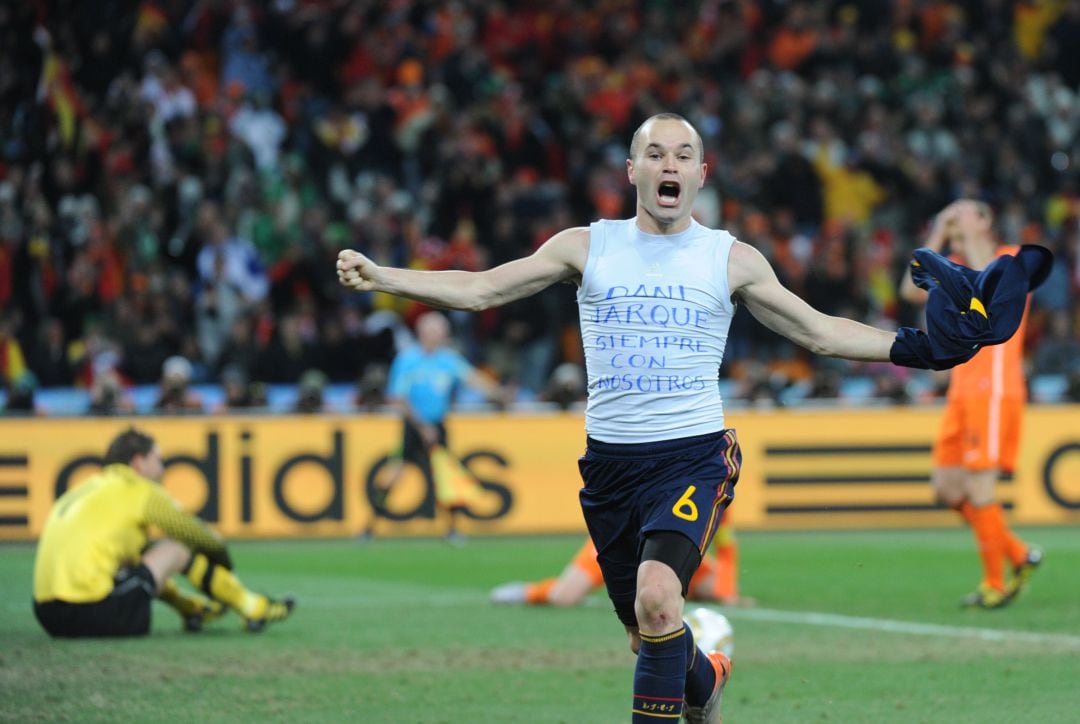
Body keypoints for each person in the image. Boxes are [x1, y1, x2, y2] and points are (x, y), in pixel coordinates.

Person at [338, 113, 1045, 723]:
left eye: (682, 155)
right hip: (610, 467)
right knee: (651, 640)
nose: (668, 164)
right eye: (654, 153)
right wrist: (387, 277)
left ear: (701, 174)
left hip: (693, 455)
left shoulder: (729, 258)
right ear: (632, 170)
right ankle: (708, 681)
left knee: (656, 597)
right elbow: (484, 288)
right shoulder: (586, 245)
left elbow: (819, 330)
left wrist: (919, 349)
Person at [900, 199, 1043, 609]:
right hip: (962, 387)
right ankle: (1018, 554)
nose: (955, 215)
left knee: (981, 484)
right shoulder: (954, 261)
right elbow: (909, 289)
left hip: (994, 387)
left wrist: (960, 233)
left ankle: (995, 584)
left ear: (985, 220)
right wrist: (938, 235)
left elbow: (988, 282)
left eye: (965, 212)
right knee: (946, 488)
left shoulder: (1012, 259)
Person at [33, 427, 294, 637]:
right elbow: (193, 532)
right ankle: (252, 607)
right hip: (94, 614)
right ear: (138, 463)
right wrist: (223, 557)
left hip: (47, 617)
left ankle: (192, 610)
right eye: (158, 460)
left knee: (136, 559)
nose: (163, 468)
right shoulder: (138, 489)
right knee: (176, 548)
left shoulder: (84, 489)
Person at [359, 310, 504, 543]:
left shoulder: (448, 359)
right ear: (423, 333)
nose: (442, 335)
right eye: (437, 331)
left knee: (445, 476)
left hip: (438, 425)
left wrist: (498, 392)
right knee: (396, 473)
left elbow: (472, 378)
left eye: (443, 331)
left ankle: (452, 529)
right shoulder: (408, 359)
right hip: (414, 425)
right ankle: (370, 526)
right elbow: (398, 398)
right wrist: (422, 425)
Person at [490, 514, 754, 608]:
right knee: (563, 598)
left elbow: (727, 546)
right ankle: (531, 592)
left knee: (714, 586)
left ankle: (675, 588)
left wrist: (726, 592)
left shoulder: (717, 493)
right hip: (619, 537)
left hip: (666, 545)